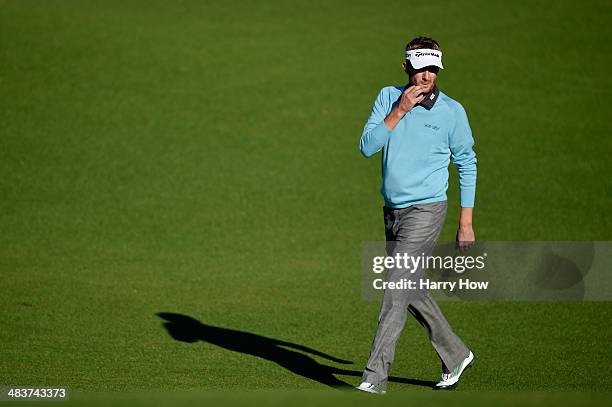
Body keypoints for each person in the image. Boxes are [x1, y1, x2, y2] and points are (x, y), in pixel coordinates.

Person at [356, 36, 477, 394]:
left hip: (427, 209)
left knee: (395, 288)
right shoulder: (386, 97)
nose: (427, 77)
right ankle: (456, 354)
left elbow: (467, 163)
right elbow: (367, 147)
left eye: (433, 70)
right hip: (393, 210)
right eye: (421, 68)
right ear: (406, 66)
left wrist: (465, 220)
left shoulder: (453, 112)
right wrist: (399, 111)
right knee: (410, 289)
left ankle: (374, 378)